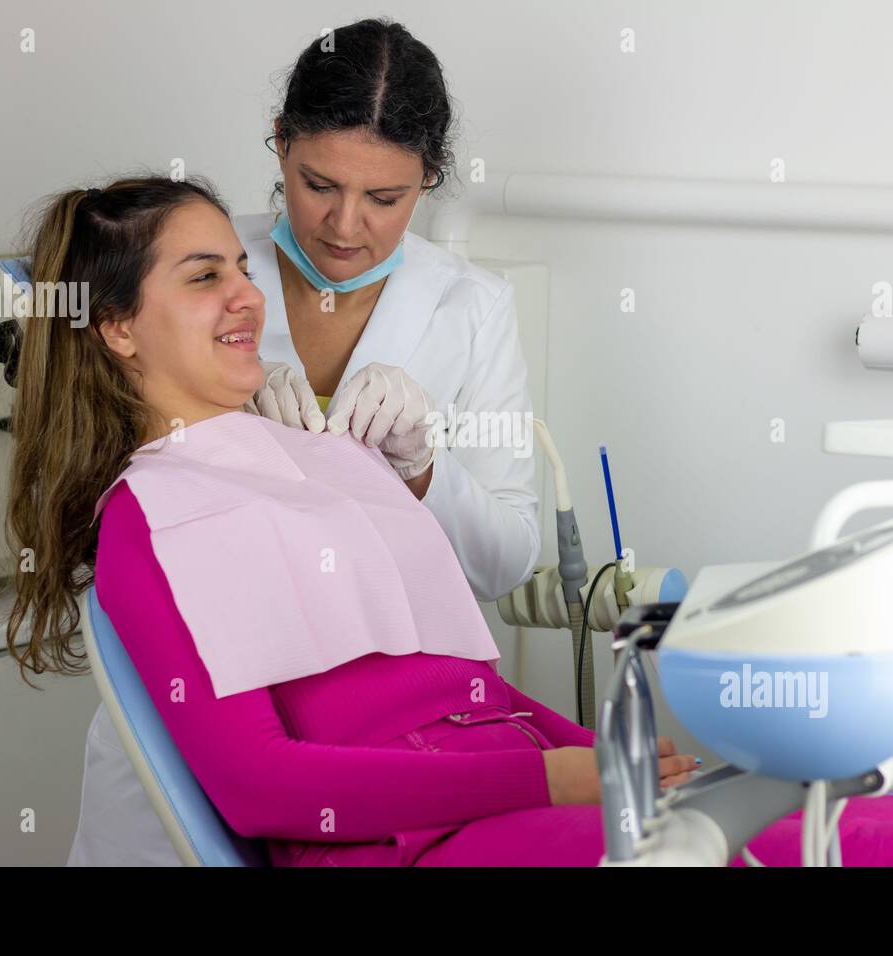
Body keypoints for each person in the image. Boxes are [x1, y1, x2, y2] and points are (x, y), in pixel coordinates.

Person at [1, 175, 699, 867]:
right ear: (119, 327)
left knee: (787, 835)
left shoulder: (338, 454)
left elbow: (470, 691)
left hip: (506, 785)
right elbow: (260, 786)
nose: (248, 294)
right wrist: (550, 780)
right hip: (415, 836)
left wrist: (603, 755)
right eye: (205, 276)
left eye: (242, 268)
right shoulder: (154, 513)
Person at [67, 18, 549, 865]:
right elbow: (113, 489)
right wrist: (224, 437)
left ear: (428, 180)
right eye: (317, 182)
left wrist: (423, 468)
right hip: (221, 720)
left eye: (386, 199)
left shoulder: (472, 307)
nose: (344, 226)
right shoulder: (205, 262)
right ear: (279, 144)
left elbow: (507, 561)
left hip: (390, 736)